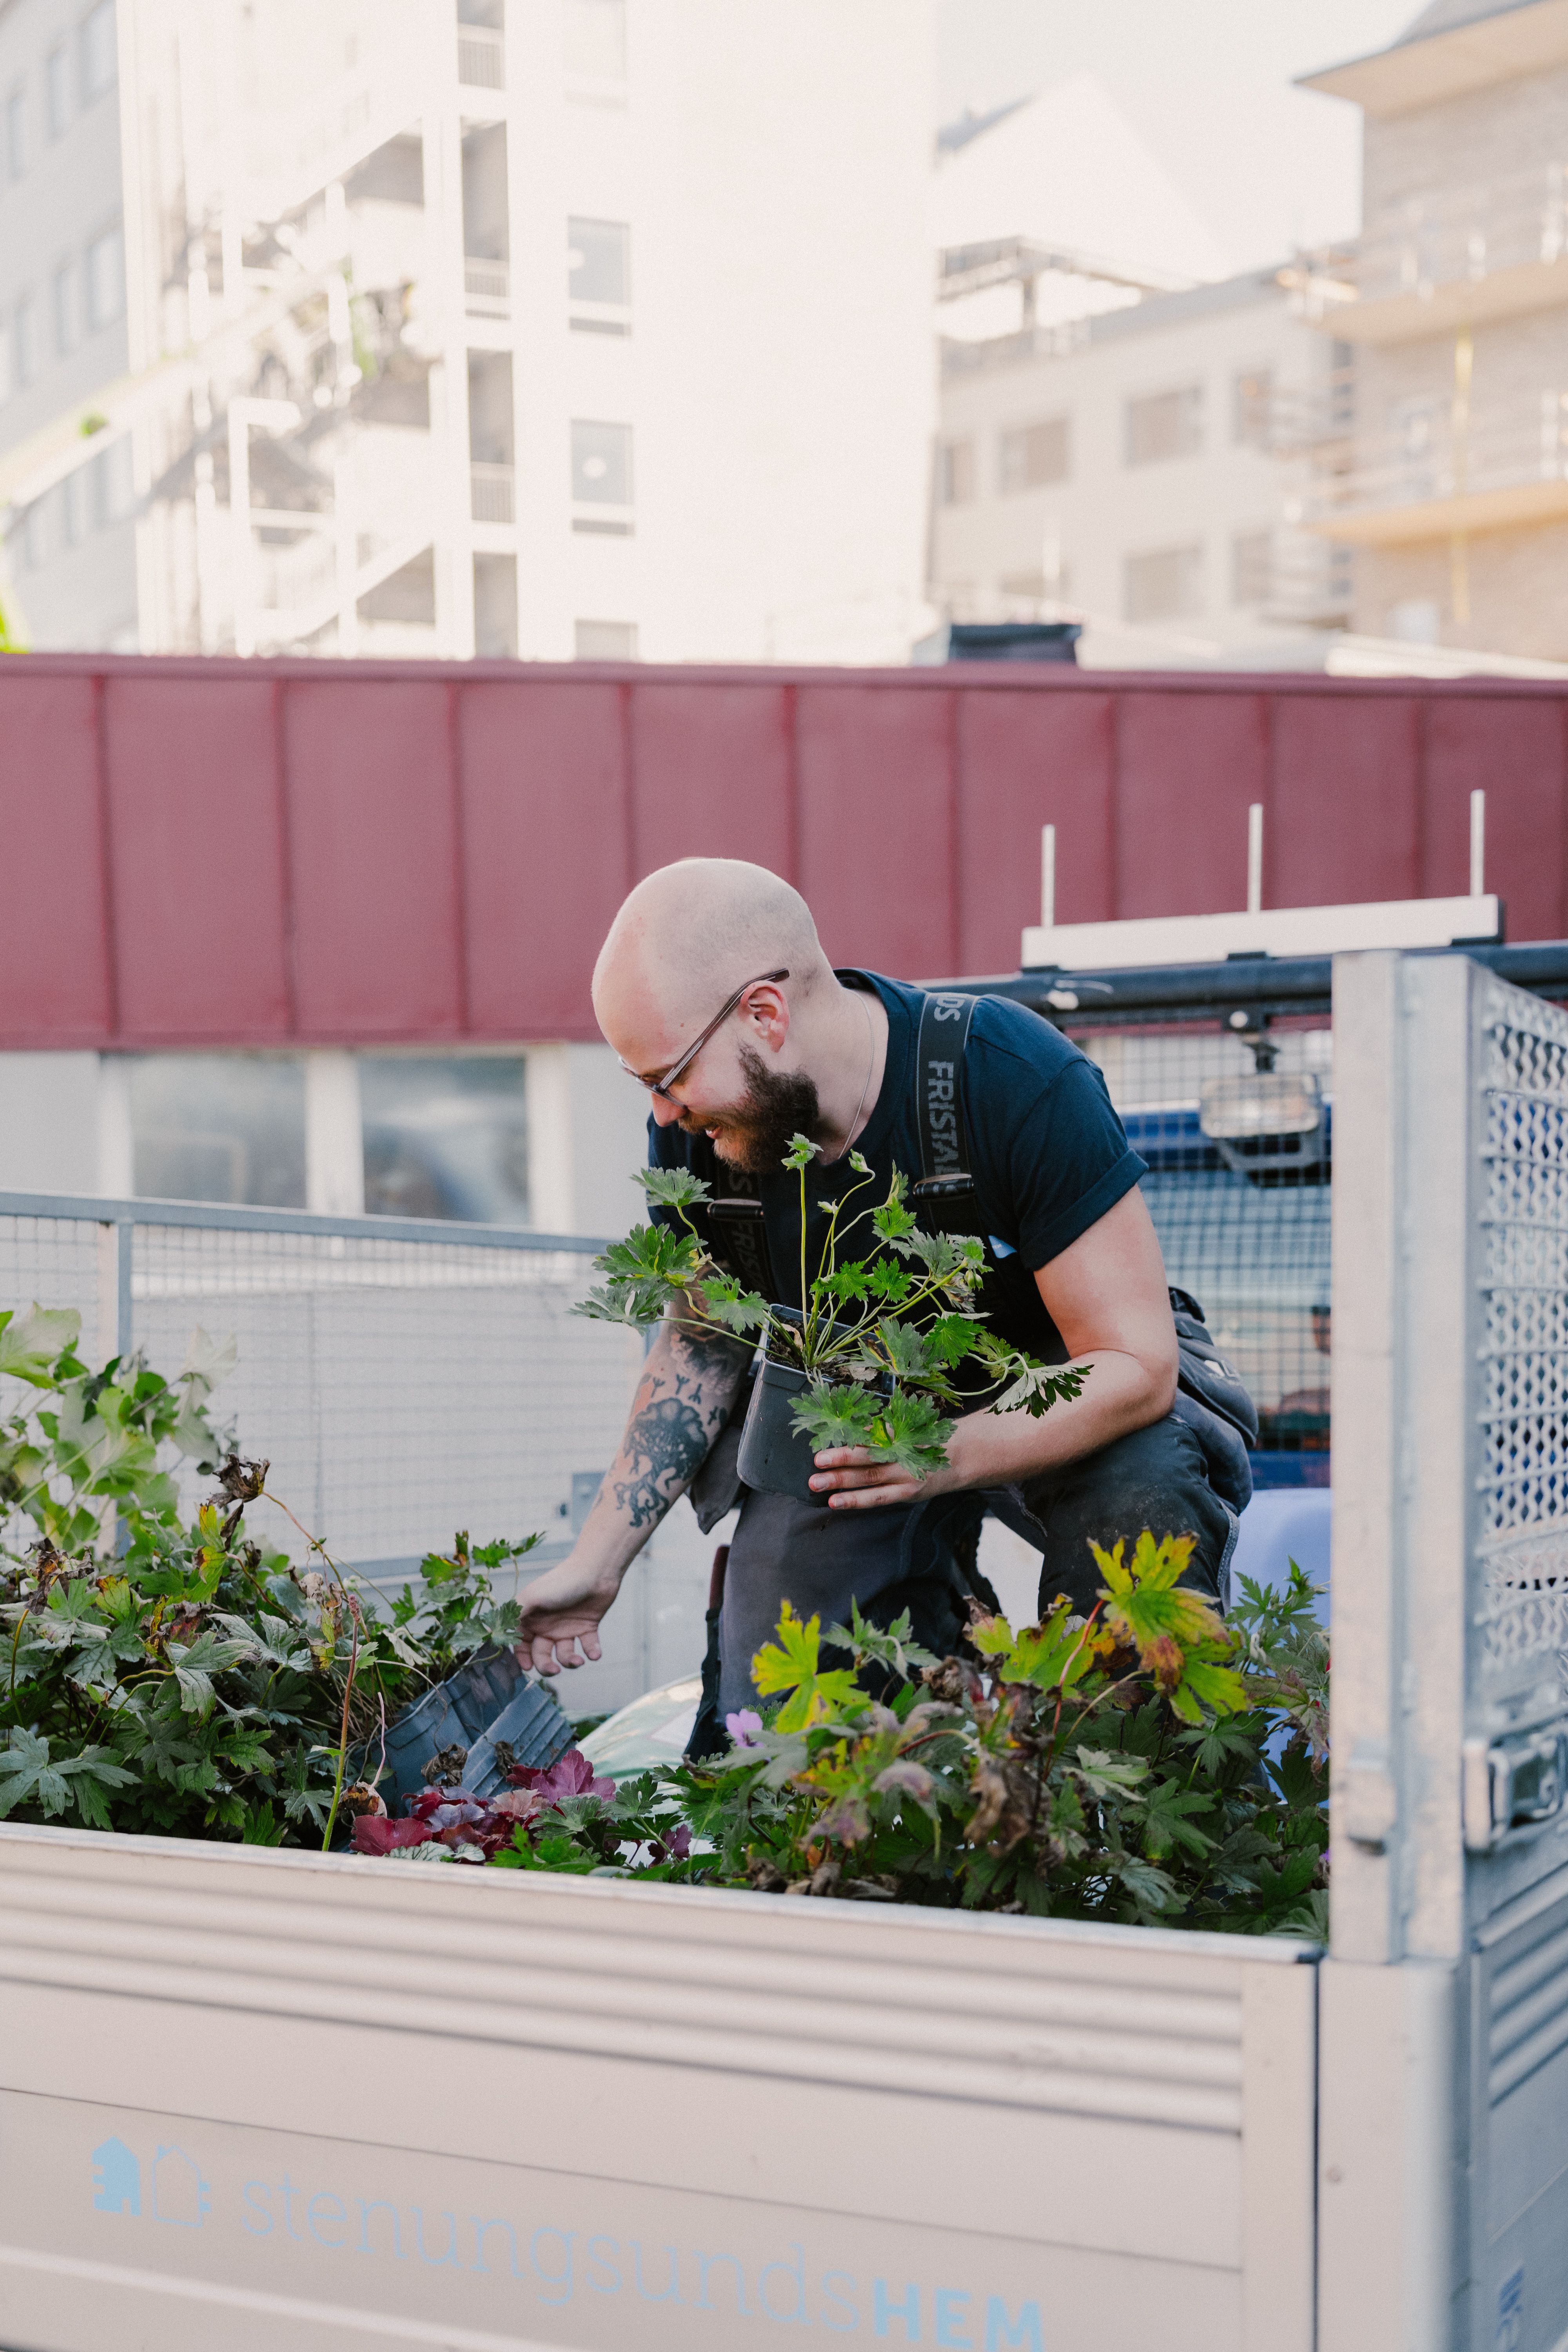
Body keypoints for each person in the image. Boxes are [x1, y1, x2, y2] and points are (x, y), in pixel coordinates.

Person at [514, 859, 1253, 1746]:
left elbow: (1134, 1363)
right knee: (776, 1719)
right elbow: (706, 1338)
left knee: (1138, 1515)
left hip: (1065, 1390)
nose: (664, 1113)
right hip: (857, 1413)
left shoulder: (1009, 1076)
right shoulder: (704, 1140)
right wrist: (599, 1562)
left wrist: (945, 1454)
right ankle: (928, 1735)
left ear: (764, 1014)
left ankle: (1129, 1777)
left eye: (667, 1076)